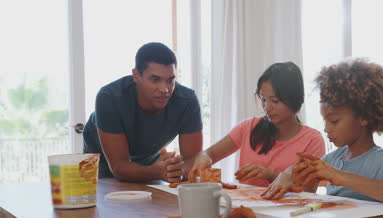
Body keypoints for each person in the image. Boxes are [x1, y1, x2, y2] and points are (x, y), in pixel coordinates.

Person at [262, 59, 383, 208]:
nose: (326, 129)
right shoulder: (333, 159)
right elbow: (308, 194)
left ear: (363, 117)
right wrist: (292, 174)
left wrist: (339, 176)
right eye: (325, 121)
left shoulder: (379, 160)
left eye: (334, 121)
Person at [188, 62, 325, 187]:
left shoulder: (312, 140)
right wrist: (204, 158)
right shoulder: (248, 127)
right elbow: (208, 154)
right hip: (244, 207)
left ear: (295, 99)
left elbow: (308, 190)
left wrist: (269, 175)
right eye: (263, 99)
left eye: (275, 101)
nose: (267, 107)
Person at [83, 42, 203, 182]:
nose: (165, 89)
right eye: (155, 80)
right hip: (101, 163)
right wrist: (159, 171)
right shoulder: (109, 98)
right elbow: (119, 167)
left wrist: (174, 170)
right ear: (136, 75)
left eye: (170, 80)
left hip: (150, 162)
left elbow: (192, 161)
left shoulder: (187, 101)